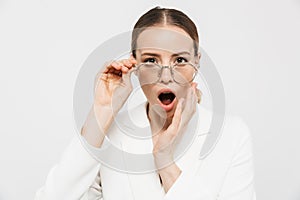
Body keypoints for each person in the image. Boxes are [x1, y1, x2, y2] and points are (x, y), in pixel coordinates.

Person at [34, 6, 256, 200]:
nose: (166, 76)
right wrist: (101, 111)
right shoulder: (112, 133)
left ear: (197, 63)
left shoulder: (232, 136)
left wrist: (165, 161)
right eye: (151, 60)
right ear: (134, 64)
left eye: (180, 60)